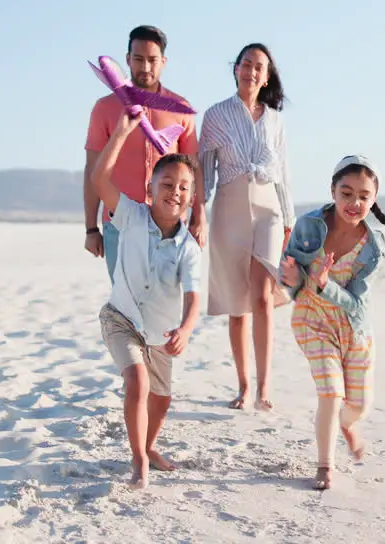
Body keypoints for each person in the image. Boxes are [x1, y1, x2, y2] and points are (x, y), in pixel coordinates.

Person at [281, 154, 385, 491]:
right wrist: (292, 279)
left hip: (353, 328)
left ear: (373, 200)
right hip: (312, 319)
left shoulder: (374, 244)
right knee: (331, 392)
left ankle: (348, 426)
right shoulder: (308, 225)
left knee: (358, 407)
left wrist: (325, 284)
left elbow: (355, 303)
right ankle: (325, 465)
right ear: (332, 191)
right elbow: (292, 278)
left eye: (363, 196)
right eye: (346, 193)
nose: (354, 202)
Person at [91, 108, 204, 490]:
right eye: (167, 184)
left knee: (161, 399)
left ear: (190, 197)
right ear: (150, 191)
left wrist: (186, 329)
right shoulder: (130, 216)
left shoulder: (189, 248)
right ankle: (138, 459)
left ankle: (150, 445)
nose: (175, 191)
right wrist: (121, 134)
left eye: (183, 187)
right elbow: (99, 178)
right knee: (136, 383)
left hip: (160, 333)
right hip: (120, 319)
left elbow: (193, 295)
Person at [198, 43, 294, 411]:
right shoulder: (216, 115)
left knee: (262, 298)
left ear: (266, 76)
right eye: (247, 64)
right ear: (236, 68)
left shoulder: (274, 119)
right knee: (238, 306)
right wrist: (197, 216)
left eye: (260, 67)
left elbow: (283, 172)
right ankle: (242, 386)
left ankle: (265, 387)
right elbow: (205, 169)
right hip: (229, 209)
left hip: (269, 209)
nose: (253, 72)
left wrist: (288, 219)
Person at [84, 25, 205, 281]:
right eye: (138, 59)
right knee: (126, 308)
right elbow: (92, 170)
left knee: (165, 307)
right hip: (121, 225)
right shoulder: (104, 108)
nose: (145, 67)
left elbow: (194, 168)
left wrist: (199, 217)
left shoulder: (180, 108)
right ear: (127, 59)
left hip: (170, 226)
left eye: (152, 60)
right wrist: (91, 228)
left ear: (164, 61)